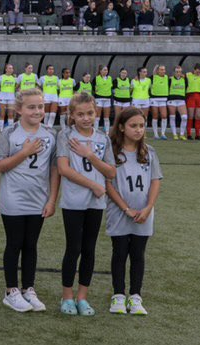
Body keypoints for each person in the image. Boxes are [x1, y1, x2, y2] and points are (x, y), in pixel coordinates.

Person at [0, 88, 58, 313]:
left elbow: (54, 170)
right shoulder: (9, 134)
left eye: (40, 106)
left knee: (31, 245)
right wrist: (25, 152)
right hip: (13, 199)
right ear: (19, 109)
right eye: (31, 107)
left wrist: (52, 200)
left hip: (38, 199)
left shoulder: (50, 134)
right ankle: (11, 291)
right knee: (14, 244)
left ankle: (28, 288)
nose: (37, 111)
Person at [56, 92, 116, 316]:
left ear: (96, 113)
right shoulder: (66, 136)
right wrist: (92, 185)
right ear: (72, 115)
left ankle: (82, 297)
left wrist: (90, 155)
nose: (85, 118)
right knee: (73, 248)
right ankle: (67, 297)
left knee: (89, 249)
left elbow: (111, 171)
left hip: (96, 203)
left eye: (89, 113)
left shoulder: (103, 138)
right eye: (80, 114)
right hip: (74, 202)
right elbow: (63, 169)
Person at [105, 108, 161, 316]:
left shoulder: (149, 152)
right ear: (121, 127)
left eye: (141, 125)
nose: (138, 130)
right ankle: (118, 295)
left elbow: (155, 182)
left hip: (144, 214)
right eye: (133, 126)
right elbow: (107, 184)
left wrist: (148, 208)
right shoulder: (111, 152)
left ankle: (135, 296)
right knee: (119, 253)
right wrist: (125, 208)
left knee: (138, 254)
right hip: (120, 212)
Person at [185, 64, 200, 140]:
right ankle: (189, 134)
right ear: (194, 70)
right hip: (191, 97)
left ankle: (197, 134)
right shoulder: (188, 75)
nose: (198, 72)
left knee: (198, 116)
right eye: (197, 70)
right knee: (190, 116)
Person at [0, 64, 17, 129]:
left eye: (12, 68)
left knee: (11, 115)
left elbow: (17, 87)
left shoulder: (14, 78)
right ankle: (1, 131)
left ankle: (10, 130)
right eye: (9, 68)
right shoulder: (1, 77)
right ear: (6, 69)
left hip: (11, 97)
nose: (11, 69)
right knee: (2, 114)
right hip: (3, 97)